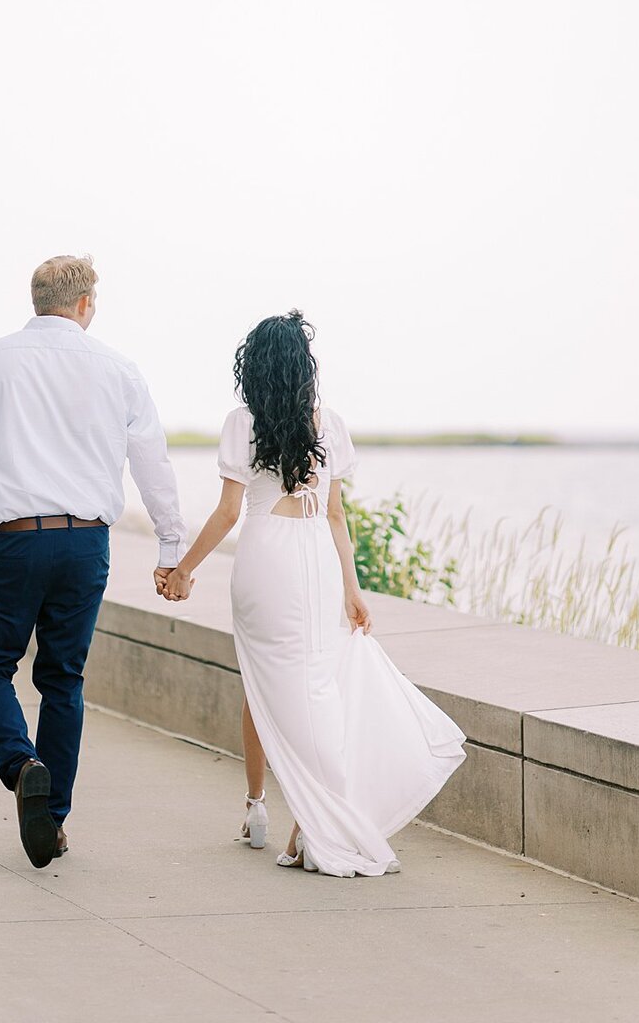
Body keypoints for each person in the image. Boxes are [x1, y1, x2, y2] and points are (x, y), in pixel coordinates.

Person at [161, 310, 465, 876]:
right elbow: (334, 514)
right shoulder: (331, 424)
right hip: (317, 562)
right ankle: (309, 819)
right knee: (317, 685)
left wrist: (183, 569)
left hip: (267, 559)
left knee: (268, 686)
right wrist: (351, 587)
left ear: (254, 365)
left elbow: (229, 511)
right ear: (304, 367)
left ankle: (289, 814)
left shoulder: (242, 421)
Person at [0, 254, 187, 868]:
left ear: (36, 301)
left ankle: (20, 763)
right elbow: (152, 464)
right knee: (63, 680)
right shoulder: (119, 369)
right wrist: (171, 548)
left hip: (9, 542)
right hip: (86, 543)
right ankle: (52, 818)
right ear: (86, 304)